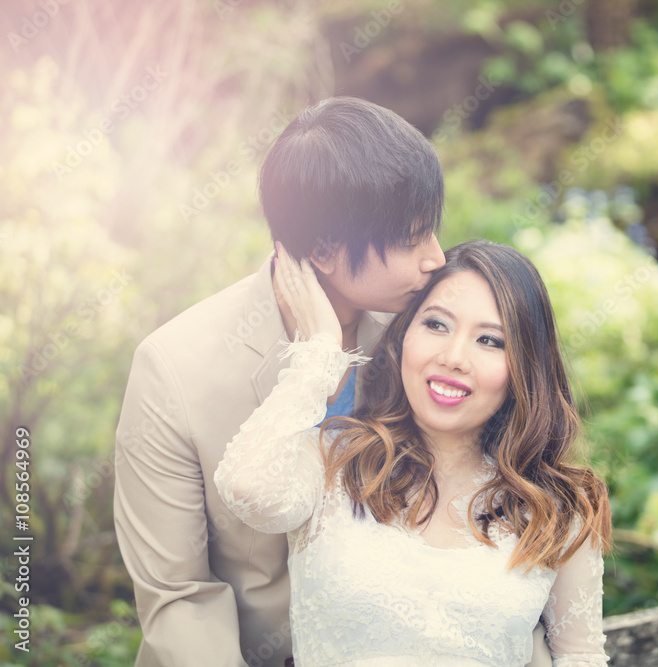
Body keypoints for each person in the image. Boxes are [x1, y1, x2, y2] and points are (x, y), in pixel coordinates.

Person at [113, 96, 447, 667]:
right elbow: (179, 597)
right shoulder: (173, 369)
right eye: (410, 239)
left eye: (432, 232)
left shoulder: (422, 335)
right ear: (323, 251)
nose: (436, 260)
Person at [215, 239, 613, 666]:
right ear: (404, 334)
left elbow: (580, 657)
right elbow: (246, 489)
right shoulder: (333, 461)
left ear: (524, 366)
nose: (454, 357)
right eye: (437, 325)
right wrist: (322, 351)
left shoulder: (558, 508)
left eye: (489, 340)